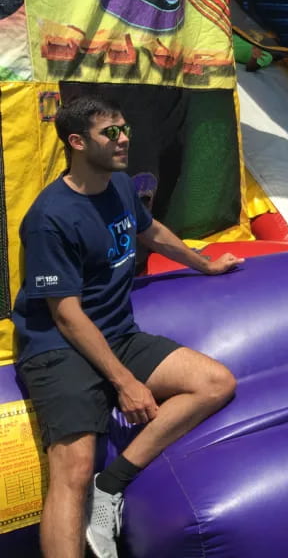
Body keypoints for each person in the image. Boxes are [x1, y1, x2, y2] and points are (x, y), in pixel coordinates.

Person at [12, 95, 241, 558]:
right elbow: (66, 315)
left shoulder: (118, 185)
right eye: (110, 132)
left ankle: (111, 485)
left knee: (216, 383)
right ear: (77, 142)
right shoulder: (49, 218)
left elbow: (150, 230)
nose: (123, 139)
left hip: (117, 333)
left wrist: (205, 264)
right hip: (58, 347)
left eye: (125, 129)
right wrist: (125, 383)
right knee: (73, 467)